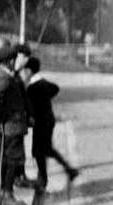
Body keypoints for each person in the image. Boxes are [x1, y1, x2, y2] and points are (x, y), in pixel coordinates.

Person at [22, 57, 78, 191]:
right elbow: (55, 88)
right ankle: (68, 170)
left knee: (39, 151)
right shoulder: (44, 83)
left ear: (30, 70)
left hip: (41, 122)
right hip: (48, 120)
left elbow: (30, 106)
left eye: (26, 70)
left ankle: (44, 179)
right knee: (46, 149)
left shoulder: (32, 87)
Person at [0, 48, 31, 205]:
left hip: (13, 126)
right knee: (11, 161)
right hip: (10, 127)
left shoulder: (7, 75)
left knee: (11, 161)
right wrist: (2, 114)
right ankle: (7, 194)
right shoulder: (3, 76)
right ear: (10, 61)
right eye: (13, 60)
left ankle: (4, 193)